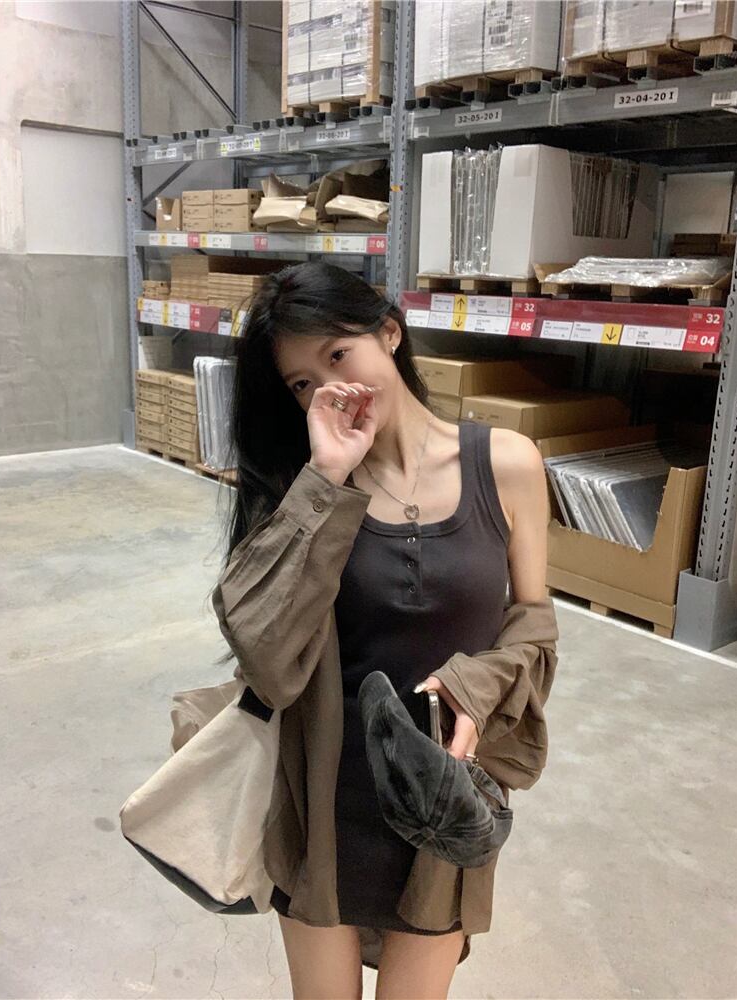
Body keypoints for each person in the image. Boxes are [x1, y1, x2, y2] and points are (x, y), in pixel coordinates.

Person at [213, 260, 552, 999]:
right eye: (303, 383)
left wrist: (476, 690)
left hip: (443, 798)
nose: (331, 388)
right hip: (321, 804)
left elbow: (534, 628)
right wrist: (326, 479)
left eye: (339, 355)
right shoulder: (300, 484)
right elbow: (264, 654)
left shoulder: (507, 464)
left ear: (389, 333)